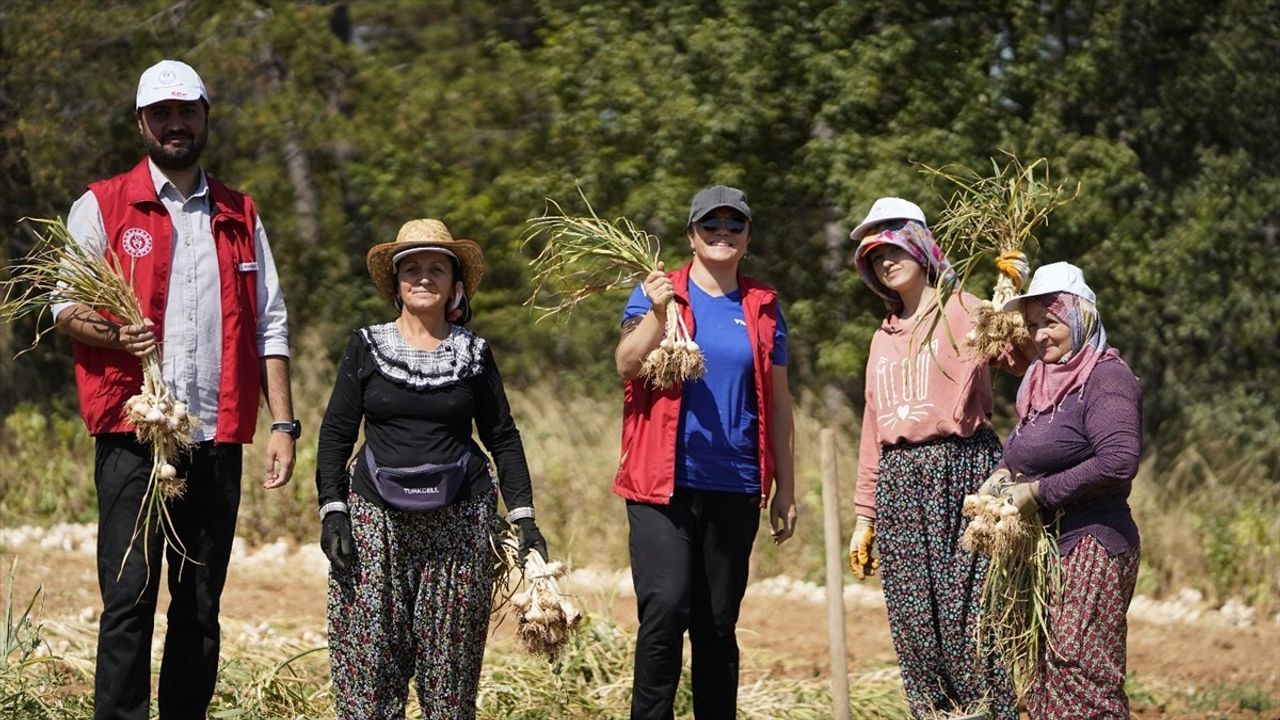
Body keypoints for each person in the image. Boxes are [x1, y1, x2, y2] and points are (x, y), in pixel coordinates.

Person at [52, 59, 296, 719]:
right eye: (161, 114)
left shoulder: (240, 213)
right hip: (136, 436)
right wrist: (112, 335)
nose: (175, 124)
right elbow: (64, 307)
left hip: (216, 434)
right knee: (129, 596)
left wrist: (283, 424)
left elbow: (270, 324)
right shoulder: (101, 204)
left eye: (187, 110)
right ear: (141, 123)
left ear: (206, 117)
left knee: (199, 604)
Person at [315, 218, 546, 719]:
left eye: (436, 268)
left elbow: (502, 435)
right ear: (396, 285)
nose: (424, 277)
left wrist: (524, 519)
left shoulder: (474, 353)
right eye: (412, 268)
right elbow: (337, 432)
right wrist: (333, 511)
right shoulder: (366, 346)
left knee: (450, 675)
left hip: (461, 521)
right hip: (375, 521)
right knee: (368, 666)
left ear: (455, 285)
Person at [614, 185, 798, 720]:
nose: (723, 235)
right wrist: (655, 312)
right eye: (710, 226)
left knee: (717, 623)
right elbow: (627, 364)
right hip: (659, 485)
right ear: (692, 236)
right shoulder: (657, 291)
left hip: (736, 483)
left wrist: (786, 487)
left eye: (734, 226)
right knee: (665, 612)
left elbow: (781, 405)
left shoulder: (763, 307)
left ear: (747, 238)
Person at [846, 197, 1027, 718]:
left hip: (964, 473)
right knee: (914, 628)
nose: (885, 261)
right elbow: (872, 428)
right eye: (874, 255)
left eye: (893, 247)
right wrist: (865, 517)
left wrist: (1014, 298)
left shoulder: (967, 309)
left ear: (921, 247)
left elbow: (1019, 359)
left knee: (970, 623)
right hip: (900, 486)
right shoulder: (882, 336)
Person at [984, 262, 1142, 718]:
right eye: (1032, 325)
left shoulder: (1105, 378)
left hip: (1092, 542)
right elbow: (1028, 449)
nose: (1039, 336)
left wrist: (1038, 493)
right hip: (1047, 549)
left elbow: (1118, 462)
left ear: (1079, 318)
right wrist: (1001, 475)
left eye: (1050, 323)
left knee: (1081, 673)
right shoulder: (1040, 381)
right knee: (1043, 679)